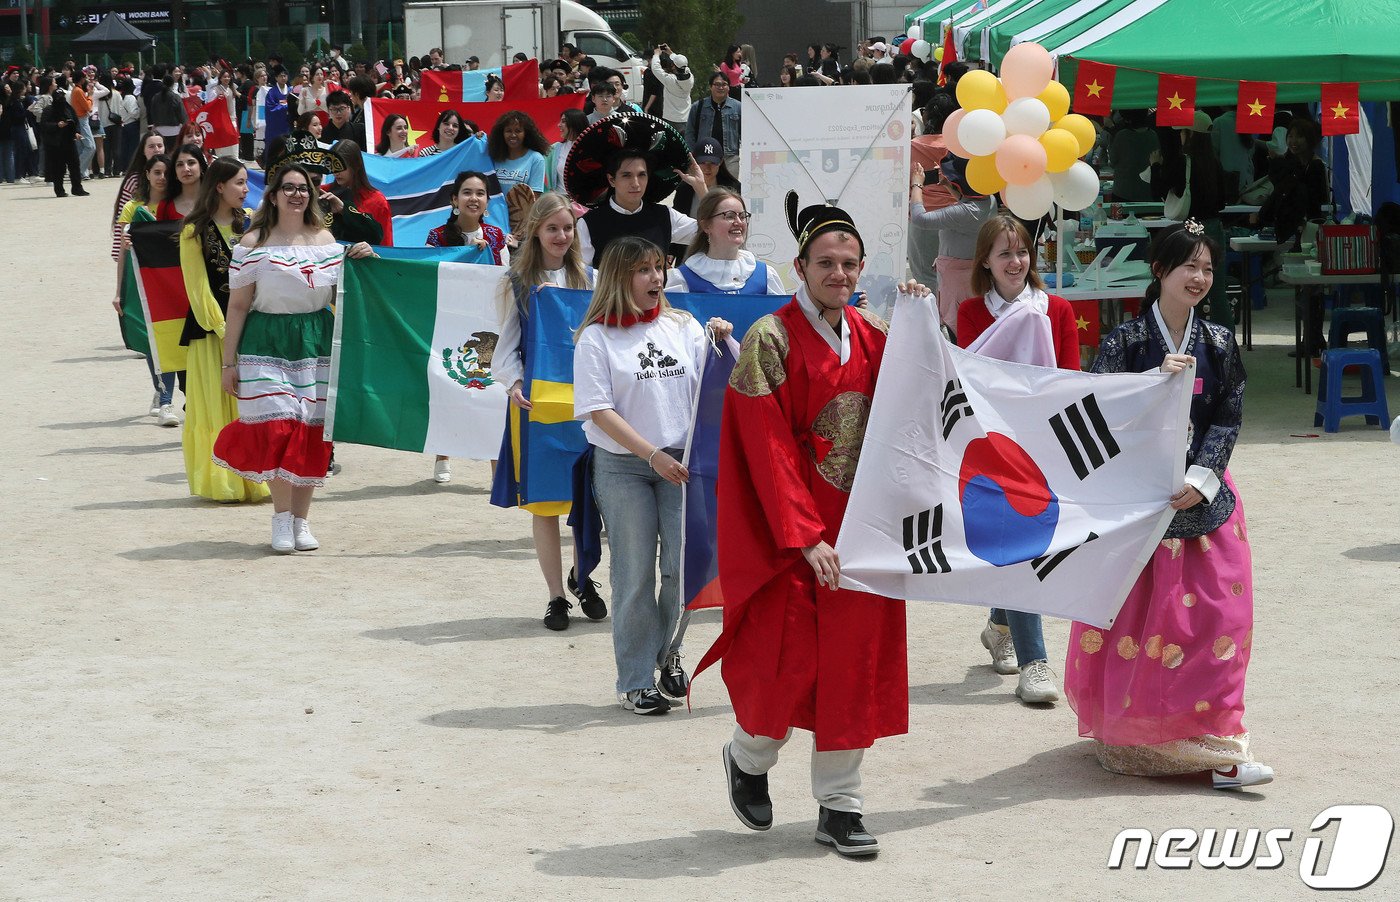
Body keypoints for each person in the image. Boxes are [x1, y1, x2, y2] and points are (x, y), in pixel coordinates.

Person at [693, 201, 925, 858]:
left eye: (851, 264)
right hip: (791, 539)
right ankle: (748, 755)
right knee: (784, 667)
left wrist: (918, 319)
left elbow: (923, 399)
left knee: (853, 667)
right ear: (800, 266)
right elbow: (765, 449)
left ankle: (841, 806)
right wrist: (804, 535)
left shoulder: (877, 335)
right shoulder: (771, 338)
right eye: (827, 263)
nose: (840, 273)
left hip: (862, 537)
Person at [1065, 221, 1271, 791]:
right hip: (1138, 505)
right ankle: (1137, 734)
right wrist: (1152, 384)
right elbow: (1097, 414)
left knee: (1216, 619)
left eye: (1207, 268)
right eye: (1189, 266)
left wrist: (1204, 476)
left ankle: (1216, 737)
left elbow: (1228, 414)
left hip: (1201, 498)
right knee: (1140, 621)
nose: (1200, 278)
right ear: (1160, 271)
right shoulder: (1123, 344)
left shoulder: (1220, 344)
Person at [572, 236, 734, 712]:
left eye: (659, 268)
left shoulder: (684, 325)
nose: (656, 278)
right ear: (620, 278)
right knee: (635, 572)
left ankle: (669, 655)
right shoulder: (596, 338)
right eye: (644, 270)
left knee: (682, 569)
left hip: (683, 463)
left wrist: (722, 338)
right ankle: (636, 680)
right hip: (624, 466)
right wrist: (652, 456)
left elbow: (719, 381)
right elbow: (599, 411)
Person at [215, 151, 374, 550]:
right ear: (272, 195)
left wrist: (364, 259)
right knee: (277, 426)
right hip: (264, 339)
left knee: (310, 432)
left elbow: (346, 295)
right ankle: (281, 520)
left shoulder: (327, 242)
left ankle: (301, 522)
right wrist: (228, 363)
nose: (297, 194)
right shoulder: (252, 243)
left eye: (304, 188)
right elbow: (236, 306)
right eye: (288, 187)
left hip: (315, 340)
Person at [953, 214, 1082, 703]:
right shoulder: (969, 312)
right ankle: (1036, 662)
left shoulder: (1058, 309)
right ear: (985, 261)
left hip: (1042, 442)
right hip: (992, 445)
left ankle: (999, 624)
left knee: (1027, 541)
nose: (1015, 261)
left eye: (1022, 252)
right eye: (1004, 253)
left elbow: (1070, 378)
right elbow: (973, 378)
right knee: (1023, 538)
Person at [489, 193, 608, 629]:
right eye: (552, 228)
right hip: (536, 406)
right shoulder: (518, 282)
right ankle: (556, 595)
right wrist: (515, 383)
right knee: (545, 505)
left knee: (586, 501)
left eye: (567, 228)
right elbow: (505, 344)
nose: (561, 236)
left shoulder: (592, 279)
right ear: (537, 231)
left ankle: (584, 576)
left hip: (588, 408)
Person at [175, 156, 270, 504]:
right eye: (240, 183)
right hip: (212, 334)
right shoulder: (193, 231)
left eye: (247, 183)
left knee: (254, 407)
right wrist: (226, 330)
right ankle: (224, 481)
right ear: (219, 186)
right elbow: (198, 291)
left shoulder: (252, 226)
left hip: (255, 330)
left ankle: (256, 478)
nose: (246, 190)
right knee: (217, 407)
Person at [424, 170, 510, 483]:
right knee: (447, 383)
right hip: (448, 320)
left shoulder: (497, 236)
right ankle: (442, 453)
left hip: (486, 321)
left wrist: (490, 253)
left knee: (491, 389)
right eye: (467, 192)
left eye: (480, 193)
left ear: (487, 202)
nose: (474, 198)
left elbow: (506, 278)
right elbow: (429, 274)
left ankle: (495, 465)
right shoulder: (437, 236)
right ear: (454, 200)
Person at [114, 153, 181, 426]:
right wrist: (119, 290)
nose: (162, 178)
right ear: (148, 175)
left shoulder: (178, 206)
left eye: (166, 173)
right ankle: (162, 393)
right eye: (157, 172)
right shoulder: (133, 208)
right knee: (152, 340)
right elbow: (123, 253)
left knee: (170, 339)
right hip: (143, 283)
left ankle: (165, 398)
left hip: (174, 284)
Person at [576, 148, 703, 267]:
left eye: (642, 175)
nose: (636, 184)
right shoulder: (589, 223)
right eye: (627, 175)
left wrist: (701, 187)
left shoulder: (665, 216)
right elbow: (581, 274)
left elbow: (712, 233)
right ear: (612, 180)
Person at [909, 156, 995, 330]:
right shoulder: (988, 200)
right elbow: (967, 200)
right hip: (970, 276)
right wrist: (949, 186)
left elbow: (920, 219)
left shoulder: (966, 212)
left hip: (958, 283)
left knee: (958, 325)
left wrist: (916, 185)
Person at [666, 187, 784, 295]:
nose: (738, 222)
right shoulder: (682, 278)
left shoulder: (766, 276)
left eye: (742, 216)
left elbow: (780, 317)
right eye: (729, 216)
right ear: (706, 225)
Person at [324, 140, 393, 244]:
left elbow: (386, 247)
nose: (336, 171)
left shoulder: (377, 201)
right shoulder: (323, 192)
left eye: (341, 166)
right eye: (333, 165)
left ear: (356, 165)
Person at [39, 76, 86, 197]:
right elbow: (44, 125)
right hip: (56, 144)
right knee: (58, 169)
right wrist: (57, 125)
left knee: (75, 165)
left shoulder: (68, 109)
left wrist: (76, 132)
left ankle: (77, 188)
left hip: (69, 141)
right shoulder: (49, 110)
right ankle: (59, 190)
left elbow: (75, 121)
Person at [685, 74, 741, 174]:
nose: (721, 87)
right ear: (710, 86)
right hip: (704, 156)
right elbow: (690, 132)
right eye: (717, 84)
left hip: (730, 157)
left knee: (730, 188)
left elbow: (745, 133)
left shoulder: (738, 107)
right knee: (706, 188)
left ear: (728, 87)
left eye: (724, 84)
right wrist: (692, 154)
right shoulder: (698, 106)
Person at [487, 110, 549, 195]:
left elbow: (535, 197)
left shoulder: (536, 159)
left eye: (518, 131)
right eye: (508, 131)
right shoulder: (493, 156)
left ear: (526, 133)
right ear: (501, 134)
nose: (513, 135)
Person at [1107, 110, 1159, 203]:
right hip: (1148, 191)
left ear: (1127, 119)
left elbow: (1113, 161)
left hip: (1123, 191)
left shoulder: (1122, 136)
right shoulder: (1154, 135)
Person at [650, 47, 693, 134]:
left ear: (673, 66)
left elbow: (655, 68)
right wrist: (671, 53)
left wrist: (656, 55)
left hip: (671, 118)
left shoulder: (670, 80)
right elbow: (682, 65)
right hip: (686, 118)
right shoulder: (690, 78)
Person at [545, 108, 588, 193]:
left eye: (563, 121)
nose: (559, 125)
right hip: (561, 202)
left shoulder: (591, 148)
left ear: (575, 123)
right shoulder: (555, 149)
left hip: (584, 203)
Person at [264, 66, 293, 148]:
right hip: (275, 125)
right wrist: (286, 106)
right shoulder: (271, 93)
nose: (283, 78)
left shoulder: (291, 91)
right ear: (276, 78)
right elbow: (270, 109)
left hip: (288, 124)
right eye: (281, 76)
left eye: (285, 76)